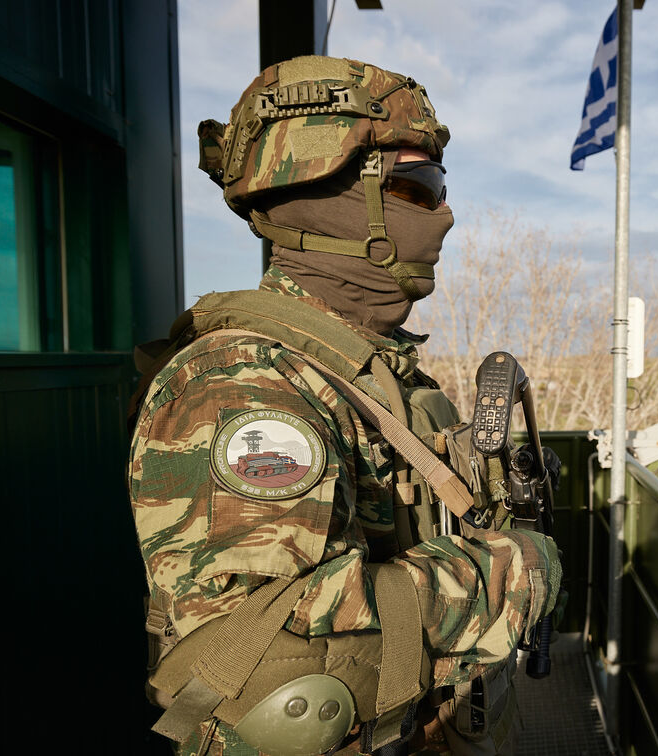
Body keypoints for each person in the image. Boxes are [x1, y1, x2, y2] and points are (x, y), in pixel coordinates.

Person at [128, 54, 561, 756]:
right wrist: (515, 575)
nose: (445, 214)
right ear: (327, 193)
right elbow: (275, 674)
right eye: (419, 186)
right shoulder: (247, 383)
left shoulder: (359, 366)